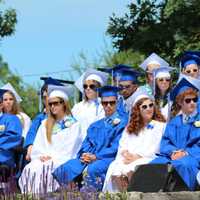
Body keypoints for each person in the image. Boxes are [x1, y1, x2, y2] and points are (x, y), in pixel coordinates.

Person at [52, 86, 128, 191]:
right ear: (102, 104)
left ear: (117, 102)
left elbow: (116, 146)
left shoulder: (123, 122)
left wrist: (96, 156)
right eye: (105, 103)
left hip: (109, 157)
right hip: (90, 157)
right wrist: (85, 155)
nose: (108, 106)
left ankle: (92, 195)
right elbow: (86, 144)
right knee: (67, 167)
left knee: (94, 168)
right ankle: (71, 194)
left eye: (112, 103)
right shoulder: (95, 125)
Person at [18, 85, 83, 194]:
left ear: (64, 104)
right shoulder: (45, 124)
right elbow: (38, 145)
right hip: (44, 159)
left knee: (47, 169)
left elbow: (72, 149)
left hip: (62, 159)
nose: (52, 106)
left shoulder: (74, 125)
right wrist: (40, 156)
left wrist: (52, 158)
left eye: (56, 103)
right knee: (30, 168)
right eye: (50, 104)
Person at [103, 89, 166, 192]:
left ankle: (135, 194)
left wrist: (138, 156)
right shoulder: (130, 128)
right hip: (129, 158)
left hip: (148, 158)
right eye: (144, 107)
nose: (149, 109)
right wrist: (125, 153)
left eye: (151, 105)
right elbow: (122, 145)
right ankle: (123, 195)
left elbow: (157, 147)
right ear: (138, 110)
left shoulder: (160, 126)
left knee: (133, 167)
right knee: (115, 168)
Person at [151, 77, 200, 191]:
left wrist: (185, 153)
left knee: (183, 164)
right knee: (154, 163)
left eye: (195, 99)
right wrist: (173, 152)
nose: (192, 103)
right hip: (174, 156)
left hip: (193, 157)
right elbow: (165, 144)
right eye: (188, 100)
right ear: (179, 103)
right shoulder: (174, 122)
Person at [24, 77, 64, 161]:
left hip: (59, 156)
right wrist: (30, 148)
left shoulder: (67, 119)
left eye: (48, 96)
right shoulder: (40, 118)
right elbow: (32, 133)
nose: (46, 100)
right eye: (44, 97)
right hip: (39, 155)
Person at [72, 68, 109, 139]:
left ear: (99, 88)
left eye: (92, 86)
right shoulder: (78, 106)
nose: (88, 88)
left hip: (96, 143)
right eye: (85, 86)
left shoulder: (104, 105)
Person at [0, 89, 22, 178]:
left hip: (4, 156)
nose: (8, 102)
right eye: (5, 100)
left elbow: (14, 137)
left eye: (10, 99)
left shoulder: (12, 119)